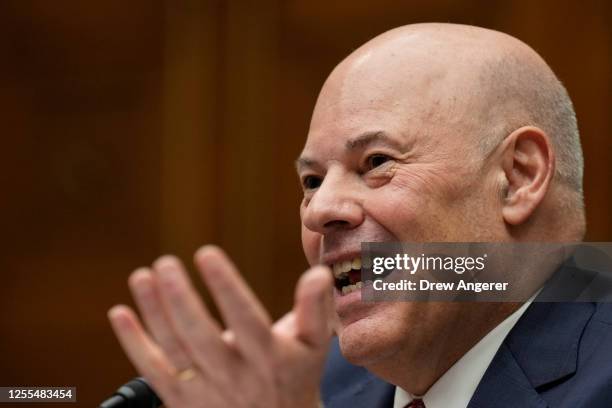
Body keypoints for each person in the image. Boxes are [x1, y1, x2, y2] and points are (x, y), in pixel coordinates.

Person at [107, 23, 612, 407]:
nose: (320, 211)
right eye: (311, 182)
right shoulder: (314, 386)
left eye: (376, 163)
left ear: (518, 177)